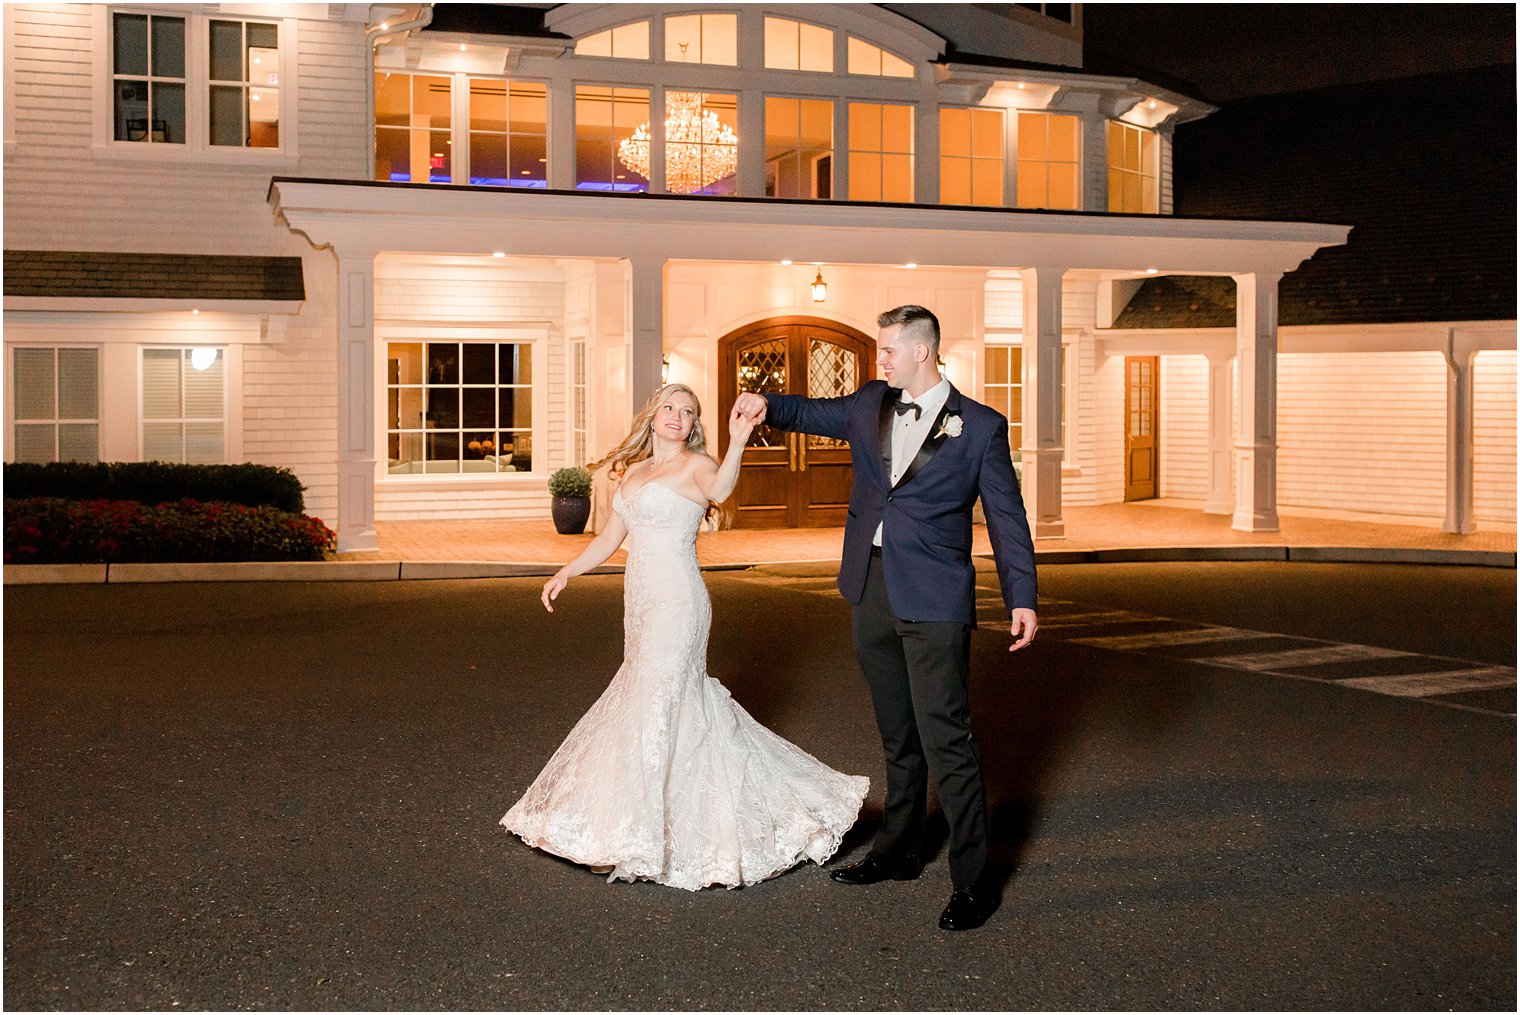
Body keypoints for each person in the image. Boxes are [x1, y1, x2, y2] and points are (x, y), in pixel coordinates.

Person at [734, 305, 1037, 931]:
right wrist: (763, 401)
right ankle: (898, 850)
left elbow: (1007, 518)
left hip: (935, 599)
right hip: (870, 590)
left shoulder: (979, 427)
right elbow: (808, 412)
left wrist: (1022, 596)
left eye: (889, 351)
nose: (881, 361)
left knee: (947, 742)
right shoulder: (872, 401)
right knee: (898, 736)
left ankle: (974, 883)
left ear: (922, 352)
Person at [500, 383, 869, 891]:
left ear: (694, 425)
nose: (677, 416)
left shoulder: (699, 465)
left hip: (679, 600)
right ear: (653, 418)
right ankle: (633, 818)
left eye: (688, 412)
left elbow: (720, 491)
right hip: (642, 602)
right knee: (648, 695)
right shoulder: (632, 473)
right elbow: (610, 538)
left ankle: (651, 834)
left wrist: (739, 439)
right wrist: (566, 572)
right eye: (669, 408)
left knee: (664, 694)